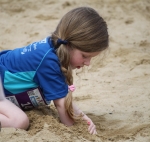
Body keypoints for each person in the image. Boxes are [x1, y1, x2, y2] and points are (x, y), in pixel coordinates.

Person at [0, 7, 109, 135]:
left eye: (91, 57)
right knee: (19, 121)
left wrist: (82, 117)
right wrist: (76, 130)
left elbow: (63, 96)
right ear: (68, 45)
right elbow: (61, 105)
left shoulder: (54, 50)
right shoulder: (48, 61)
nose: (88, 63)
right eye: (85, 56)